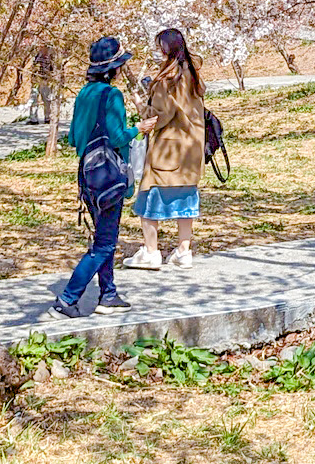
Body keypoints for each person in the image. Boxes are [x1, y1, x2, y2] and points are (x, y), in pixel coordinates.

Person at [53, 37, 135, 316]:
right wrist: (140, 129)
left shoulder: (84, 94)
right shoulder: (112, 96)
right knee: (104, 244)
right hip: (108, 175)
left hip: (87, 173)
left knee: (105, 236)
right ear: (114, 69)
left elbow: (74, 138)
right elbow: (118, 136)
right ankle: (67, 299)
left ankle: (108, 294)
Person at [127, 27, 207, 270]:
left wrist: (141, 104)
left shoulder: (167, 80)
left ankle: (151, 252)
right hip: (192, 148)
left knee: (148, 198)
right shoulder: (193, 75)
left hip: (168, 149)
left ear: (166, 48)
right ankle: (184, 251)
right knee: (185, 199)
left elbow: (159, 116)